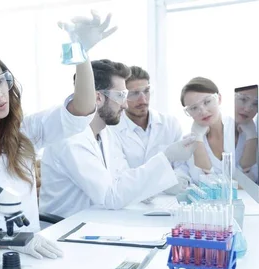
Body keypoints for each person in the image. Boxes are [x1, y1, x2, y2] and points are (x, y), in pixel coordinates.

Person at [0, 11, 116, 259]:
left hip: (36, 255)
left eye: (0, 81)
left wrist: (81, 54)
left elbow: (81, 111)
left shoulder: (23, 132)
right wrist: (10, 240)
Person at [38, 59, 197, 218]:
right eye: (121, 96)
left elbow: (122, 177)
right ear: (98, 98)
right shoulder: (71, 139)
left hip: (96, 220)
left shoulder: (105, 133)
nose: (125, 105)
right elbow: (110, 196)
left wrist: (151, 188)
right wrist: (167, 157)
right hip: (64, 228)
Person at [110, 66, 189, 194]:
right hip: (131, 203)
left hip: (169, 200)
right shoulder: (112, 131)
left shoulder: (170, 124)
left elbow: (182, 167)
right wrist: (163, 183)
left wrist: (176, 180)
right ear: (122, 96)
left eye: (146, 91)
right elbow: (122, 176)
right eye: (134, 94)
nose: (143, 100)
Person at [177, 77, 259, 183]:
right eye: (193, 108)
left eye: (207, 102)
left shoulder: (247, 131)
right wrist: (197, 138)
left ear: (219, 99)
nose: (203, 111)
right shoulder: (188, 143)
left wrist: (252, 136)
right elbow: (199, 181)